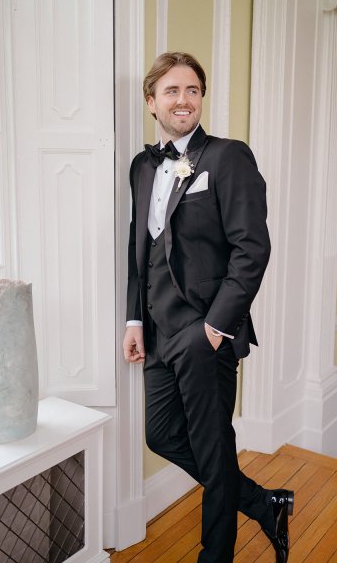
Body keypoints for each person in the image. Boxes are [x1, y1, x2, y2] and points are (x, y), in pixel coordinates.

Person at [123, 51, 294, 563]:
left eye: (192, 90)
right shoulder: (141, 166)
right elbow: (141, 247)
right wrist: (135, 319)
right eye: (171, 91)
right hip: (156, 329)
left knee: (215, 449)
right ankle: (265, 504)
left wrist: (216, 328)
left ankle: (214, 556)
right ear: (151, 101)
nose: (183, 99)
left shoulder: (226, 156)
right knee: (161, 434)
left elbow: (252, 249)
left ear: (201, 99)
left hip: (204, 331)